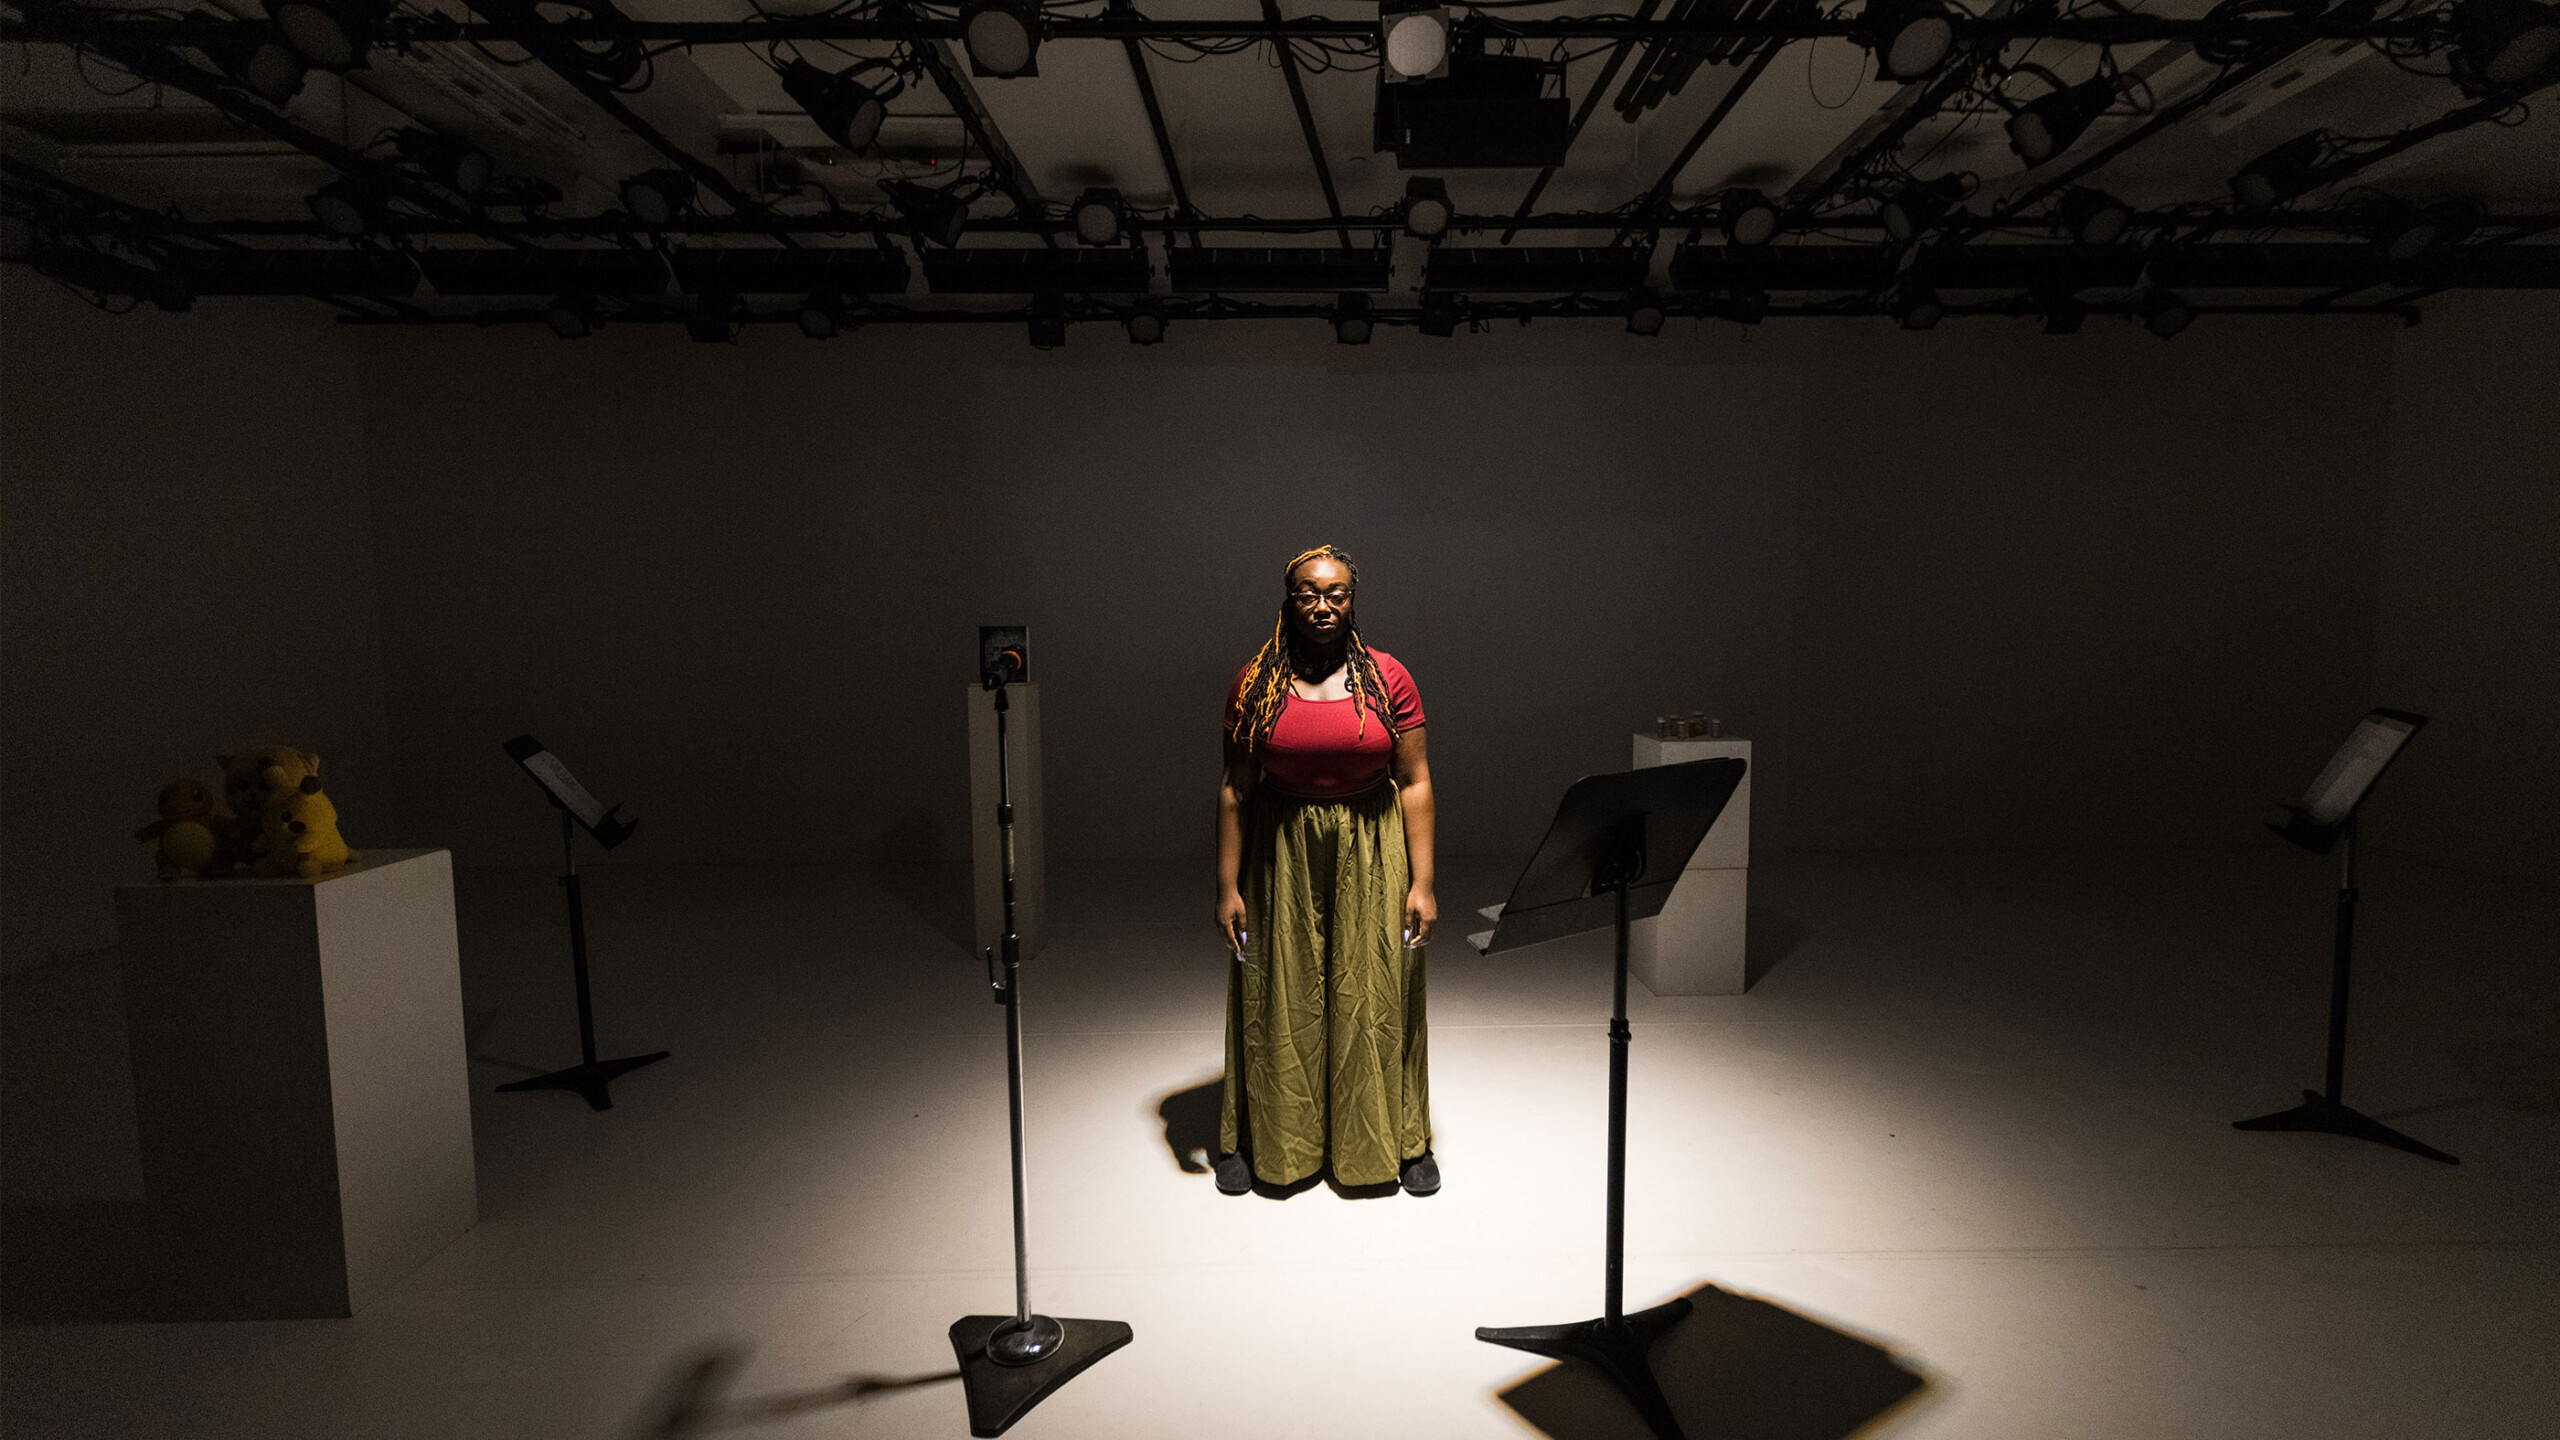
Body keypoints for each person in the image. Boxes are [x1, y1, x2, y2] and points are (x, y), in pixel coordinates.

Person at [1213, 545, 1438, 1197]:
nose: (1322, 604)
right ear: (1289, 598)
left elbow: (1416, 781)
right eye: (1309, 592)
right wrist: (1226, 886)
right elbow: (1235, 789)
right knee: (1280, 993)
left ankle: (1399, 1139)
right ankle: (1260, 1141)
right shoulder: (1255, 682)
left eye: (1336, 593)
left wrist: (1422, 882)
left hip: (1370, 844)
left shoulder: (1388, 678)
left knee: (1374, 988)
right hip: (1282, 849)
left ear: (1353, 600)